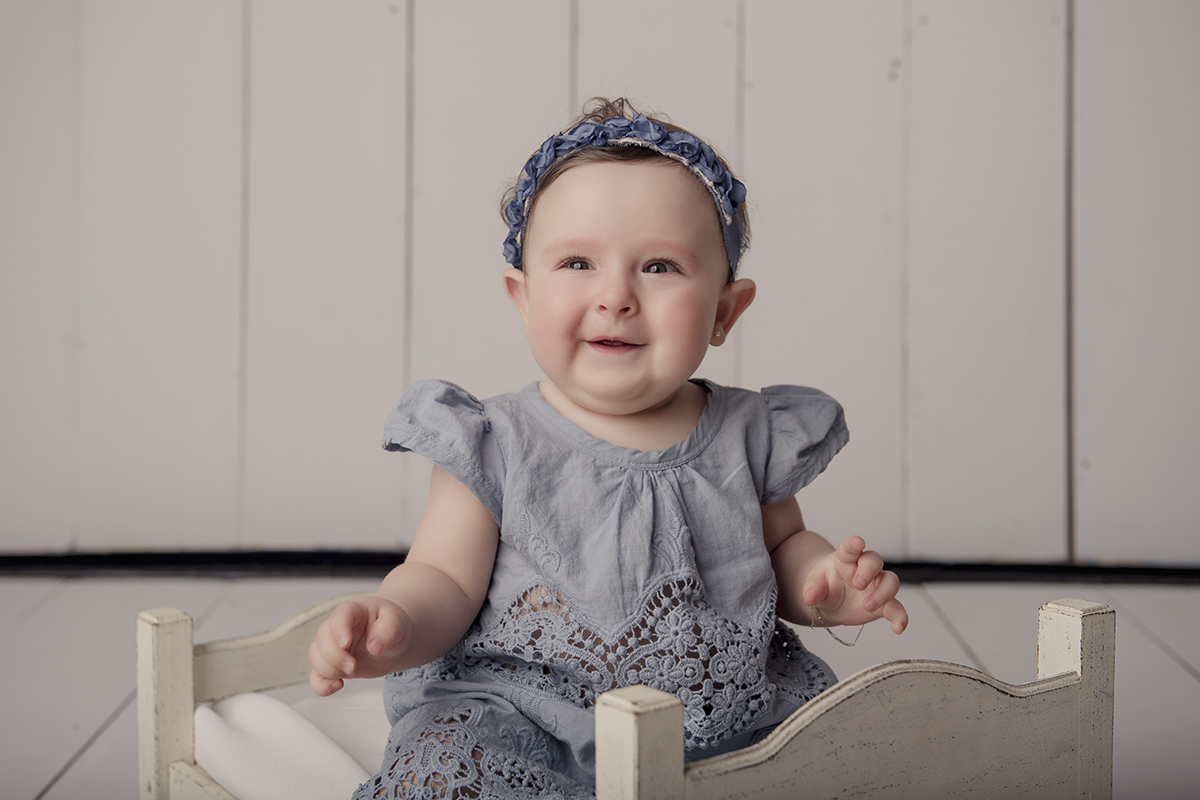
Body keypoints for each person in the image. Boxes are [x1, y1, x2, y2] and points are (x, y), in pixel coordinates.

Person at [308, 97, 908, 800]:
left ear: (724, 310)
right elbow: (442, 576)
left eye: (658, 267)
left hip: (716, 717)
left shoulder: (752, 431)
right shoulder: (494, 441)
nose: (616, 295)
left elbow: (782, 548)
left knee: (831, 763)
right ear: (522, 296)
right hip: (523, 715)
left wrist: (824, 588)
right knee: (447, 772)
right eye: (577, 263)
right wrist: (396, 623)